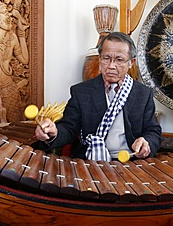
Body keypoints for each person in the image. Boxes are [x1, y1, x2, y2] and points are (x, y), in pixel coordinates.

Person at [35, 32, 162, 161]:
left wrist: (147, 142)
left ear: (131, 62)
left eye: (119, 59)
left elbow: (153, 131)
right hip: (90, 160)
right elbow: (68, 128)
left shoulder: (143, 94)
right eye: (106, 58)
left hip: (130, 161)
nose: (111, 66)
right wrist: (53, 133)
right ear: (100, 59)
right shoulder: (81, 92)